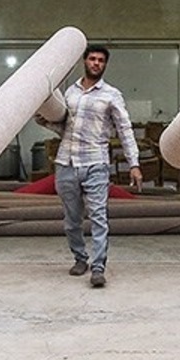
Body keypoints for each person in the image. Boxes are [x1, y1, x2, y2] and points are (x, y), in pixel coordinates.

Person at [36, 44, 142, 288]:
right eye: (92, 59)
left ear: (105, 65)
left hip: (96, 162)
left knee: (98, 217)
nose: (96, 63)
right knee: (72, 219)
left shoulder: (111, 95)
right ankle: (80, 258)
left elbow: (125, 130)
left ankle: (98, 267)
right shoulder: (68, 93)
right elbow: (64, 127)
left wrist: (133, 164)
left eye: (101, 60)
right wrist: (45, 120)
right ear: (84, 61)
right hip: (66, 162)